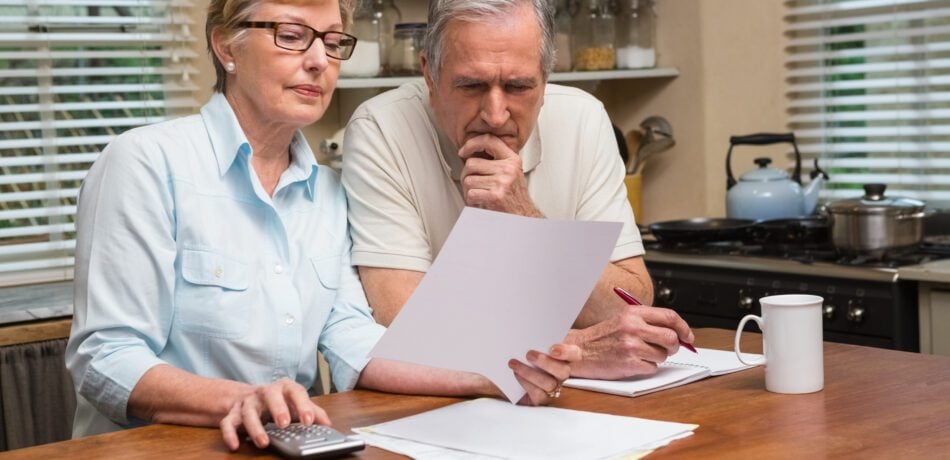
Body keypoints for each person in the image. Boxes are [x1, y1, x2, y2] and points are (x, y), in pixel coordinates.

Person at [65, 0, 580, 452]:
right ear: (226, 46)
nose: (318, 61)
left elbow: (351, 338)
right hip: (156, 450)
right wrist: (242, 399)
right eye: (291, 37)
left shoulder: (328, 192)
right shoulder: (146, 162)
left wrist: (491, 375)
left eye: (333, 43)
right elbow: (104, 359)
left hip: (293, 445)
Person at [341, 0, 694, 380]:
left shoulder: (584, 119)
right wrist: (572, 351)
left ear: (546, 78)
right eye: (471, 85)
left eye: (519, 86)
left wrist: (524, 216)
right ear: (430, 76)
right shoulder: (381, 128)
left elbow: (628, 307)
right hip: (438, 406)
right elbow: (403, 323)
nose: (495, 114)